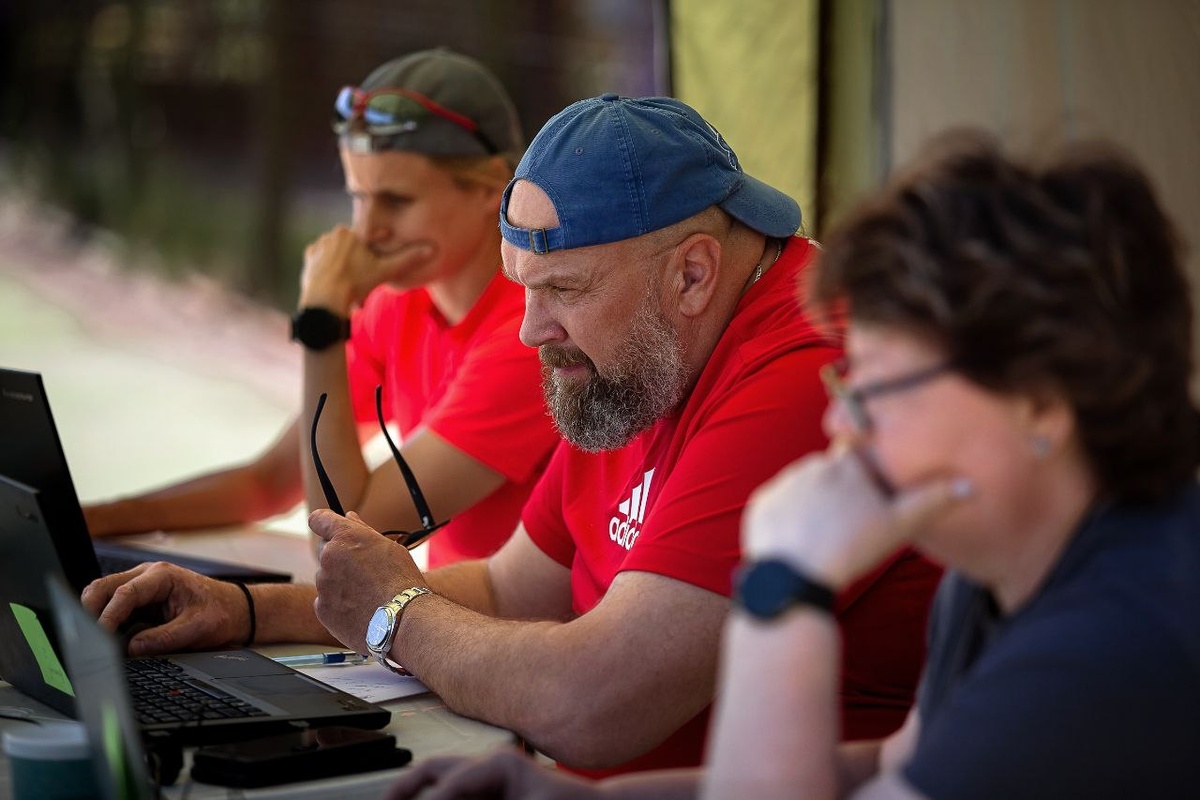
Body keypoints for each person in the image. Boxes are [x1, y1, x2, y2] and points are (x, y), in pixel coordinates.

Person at [84, 95, 940, 776]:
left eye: (562, 288)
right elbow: (508, 588)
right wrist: (242, 611)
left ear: (692, 273)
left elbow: (596, 703)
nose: (531, 329)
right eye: (522, 286)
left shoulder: (807, 375)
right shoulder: (643, 352)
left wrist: (396, 615)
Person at [384, 131, 1200, 798]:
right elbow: (887, 766)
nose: (842, 423)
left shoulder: (1117, 643)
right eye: (850, 384)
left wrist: (788, 586)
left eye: (881, 389)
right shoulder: (1003, 576)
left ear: (1040, 403)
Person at [82, 48, 560, 568]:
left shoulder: (530, 336)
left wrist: (323, 325)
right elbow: (268, 484)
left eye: (396, 201)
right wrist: (94, 519)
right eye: (358, 196)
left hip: (501, 621)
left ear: (491, 187)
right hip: (443, 611)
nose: (366, 231)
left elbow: (344, 536)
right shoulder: (397, 306)